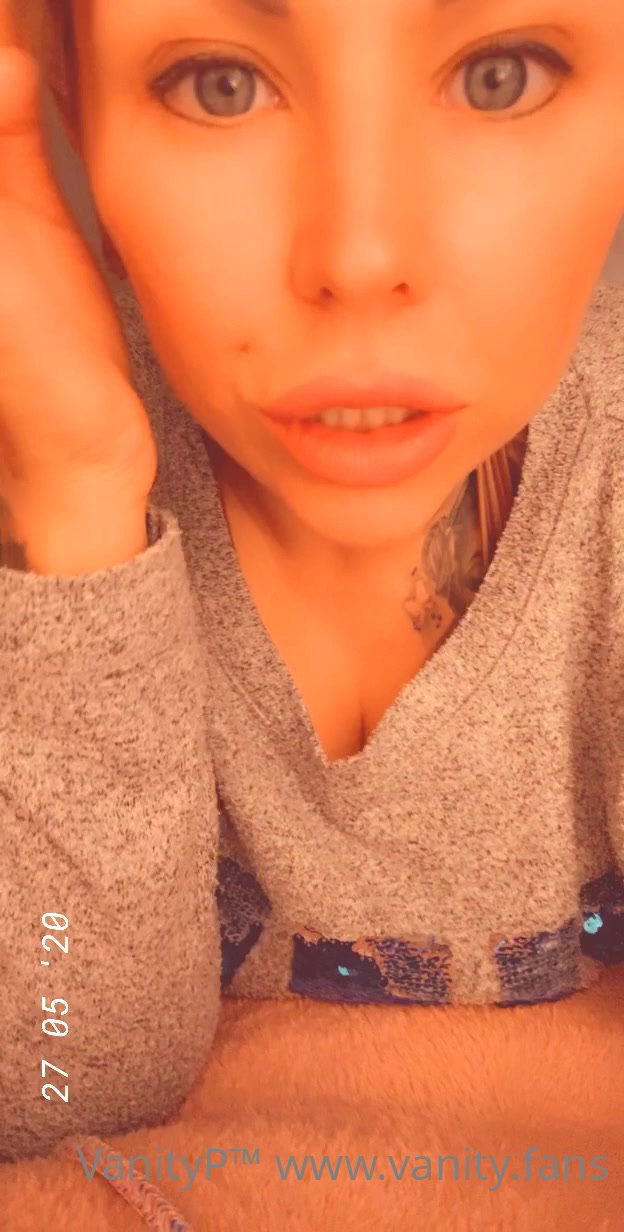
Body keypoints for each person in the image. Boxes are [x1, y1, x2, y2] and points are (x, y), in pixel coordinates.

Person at [1, 0, 623, 1163]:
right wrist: (79, 494)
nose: (359, 257)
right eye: (219, 85)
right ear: (78, 122)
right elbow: (55, 1083)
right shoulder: (31, 459)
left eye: (500, 74)